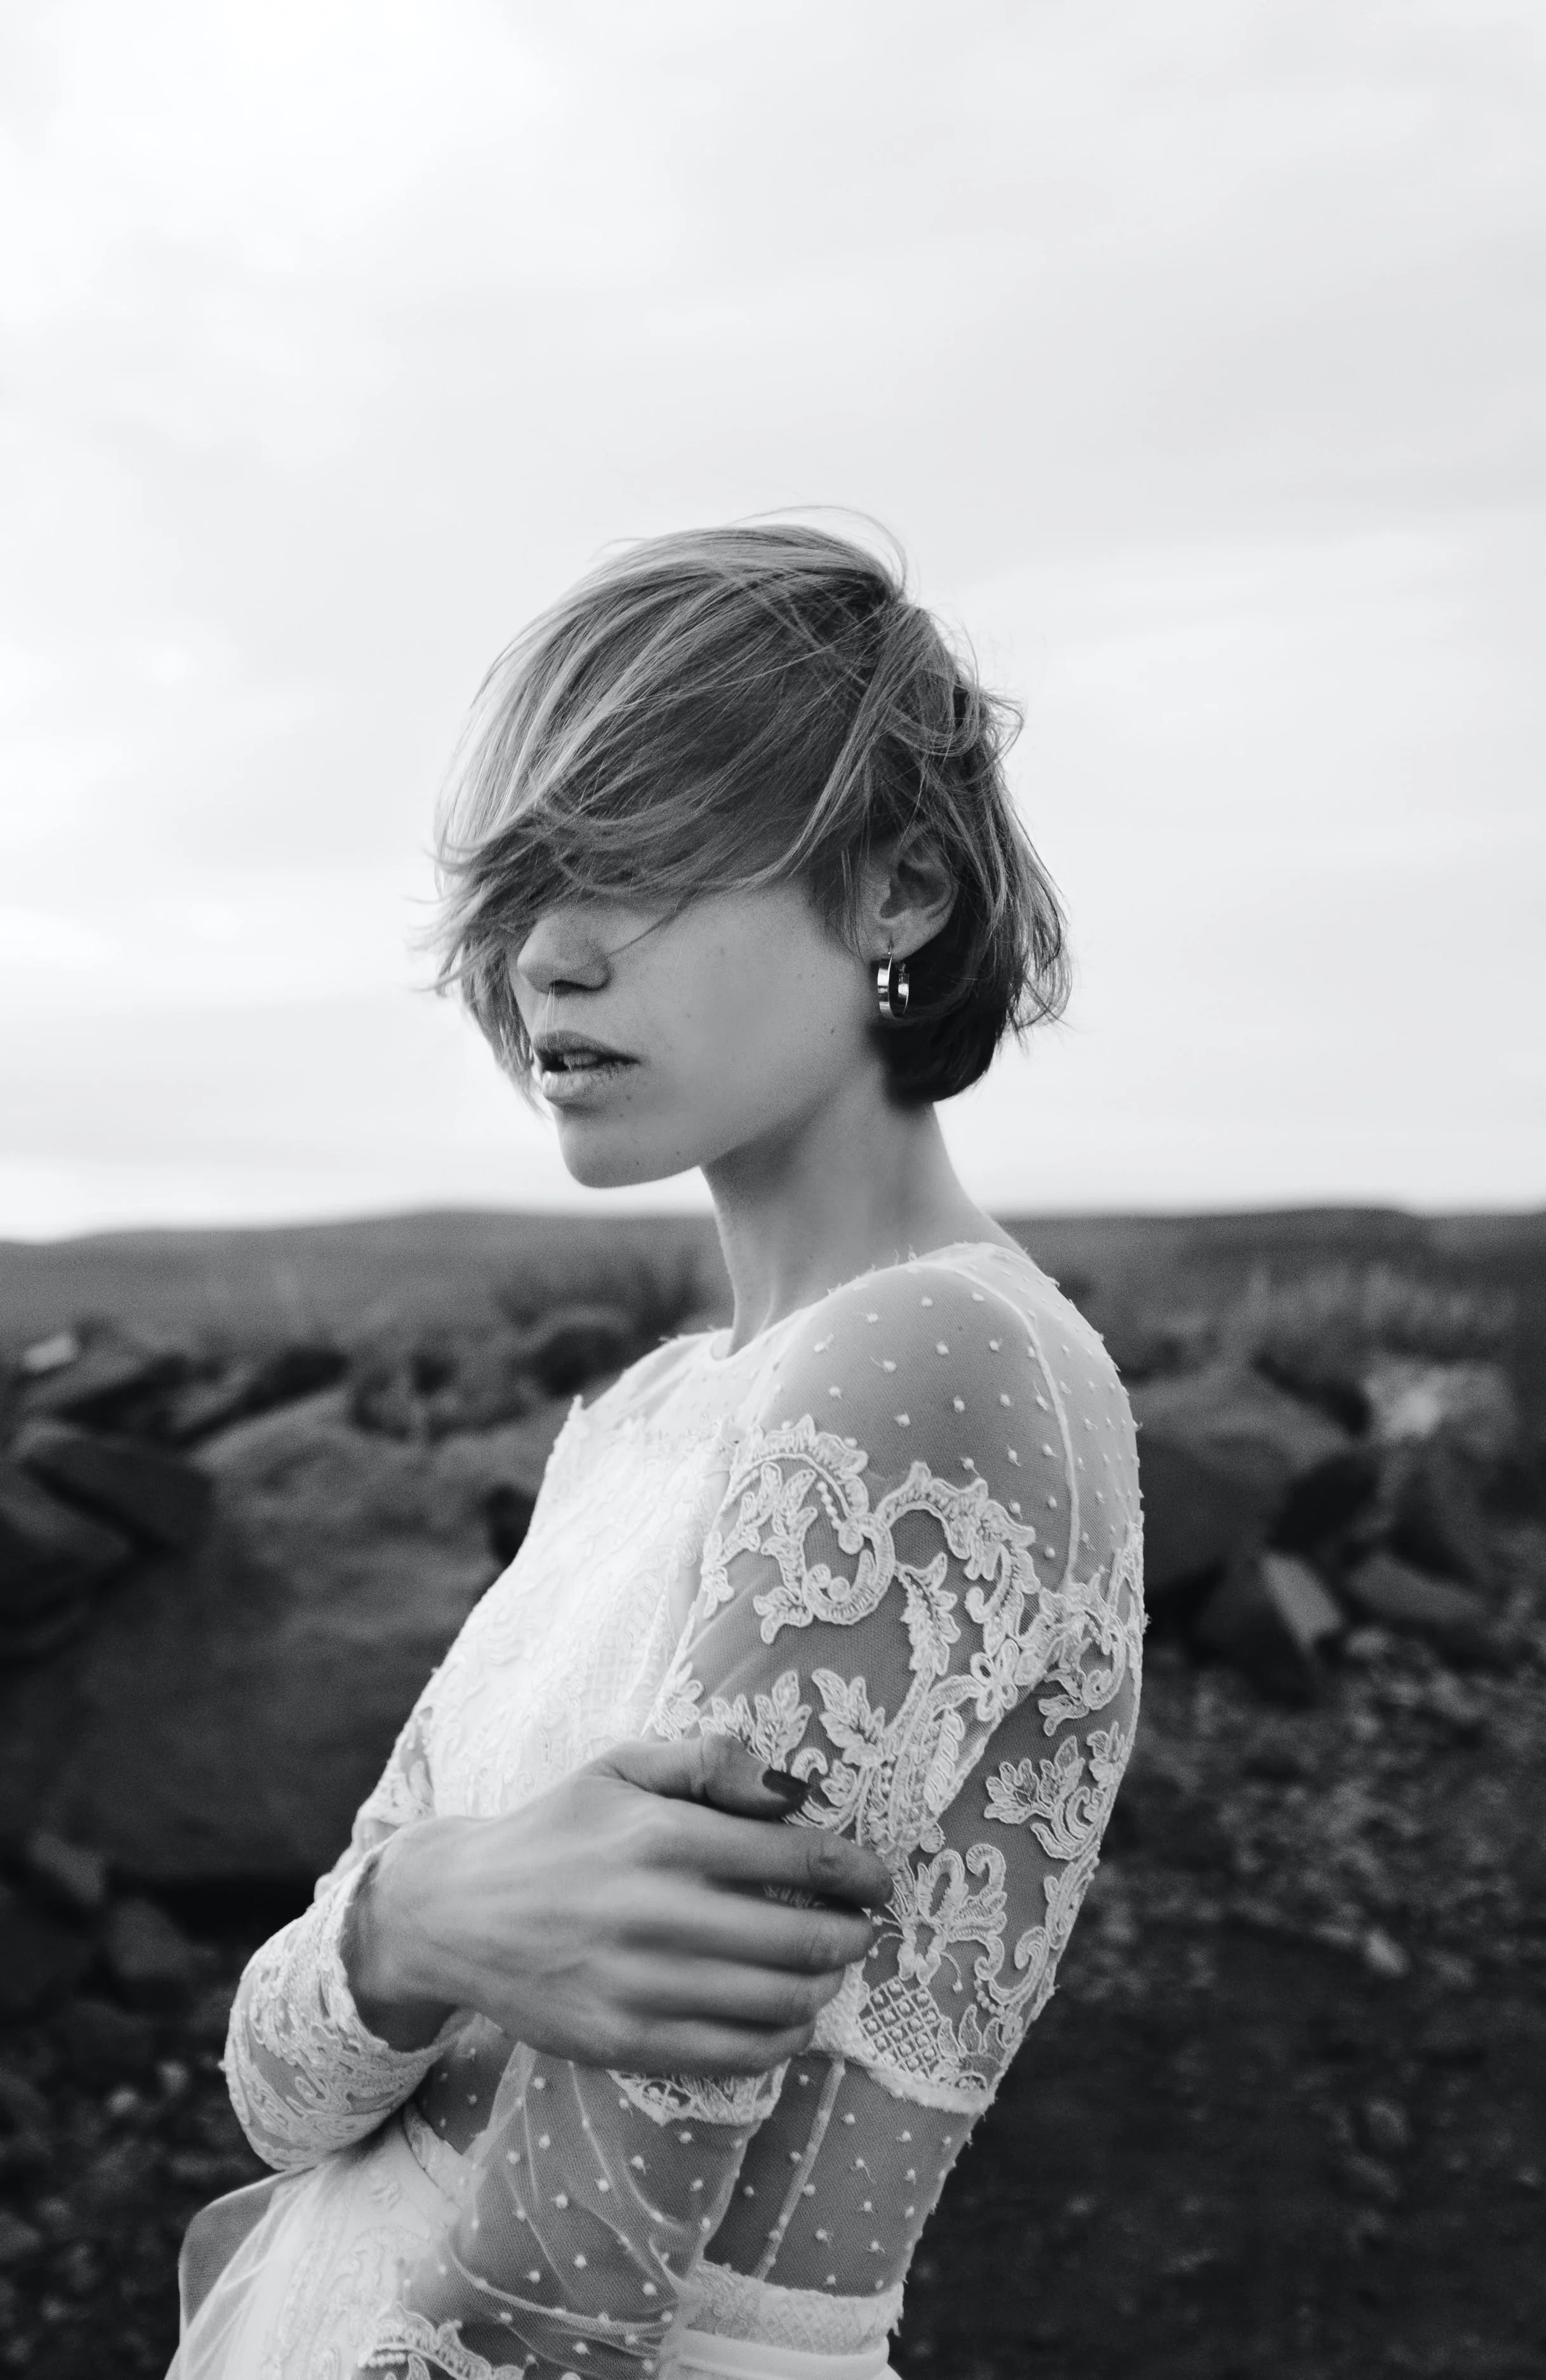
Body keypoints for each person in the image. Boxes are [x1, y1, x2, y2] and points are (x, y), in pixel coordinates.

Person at [169, 522, 1144, 2380]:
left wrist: (404, 1934)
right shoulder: (640, 1418)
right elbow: (277, 2094)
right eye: (524, 883)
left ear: (900, 895)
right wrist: (424, 1908)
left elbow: (563, 2284)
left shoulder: (929, 1358)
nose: (545, 951)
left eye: (634, 863)